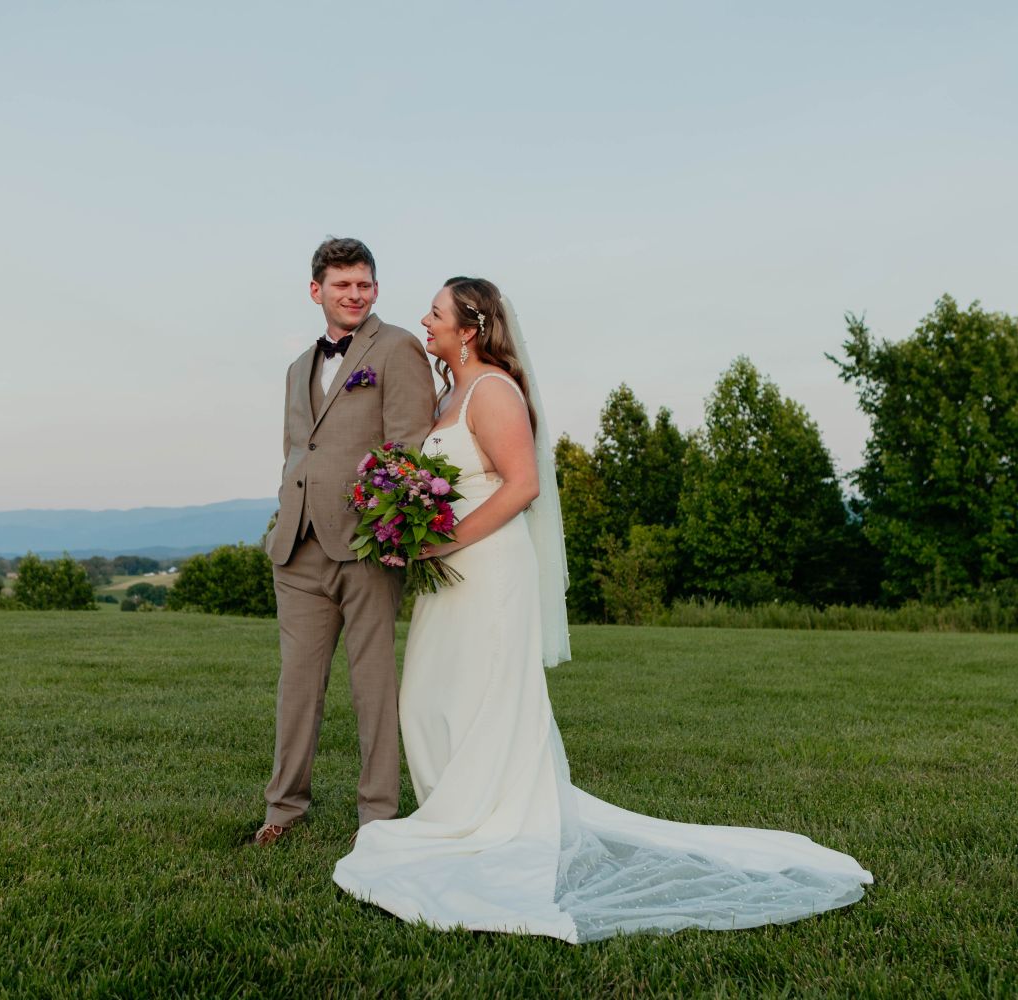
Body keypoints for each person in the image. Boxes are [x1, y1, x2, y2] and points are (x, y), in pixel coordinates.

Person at [332, 277, 872, 941]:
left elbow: (523, 485)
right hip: (451, 574)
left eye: (436, 312)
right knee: (429, 695)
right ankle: (455, 811)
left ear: (469, 328)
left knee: (482, 693)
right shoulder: (450, 394)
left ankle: (489, 821)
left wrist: (446, 539)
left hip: (489, 567)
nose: (425, 319)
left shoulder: (494, 389)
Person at [254, 238, 436, 846]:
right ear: (317, 291)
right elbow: (297, 450)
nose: (355, 295)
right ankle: (283, 811)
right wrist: (285, 515)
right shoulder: (297, 367)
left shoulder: (398, 347)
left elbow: (409, 446)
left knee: (372, 686)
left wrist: (386, 527)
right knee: (297, 687)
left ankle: (377, 818)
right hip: (297, 548)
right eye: (342, 285)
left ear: (375, 288)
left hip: (365, 546)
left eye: (364, 284)